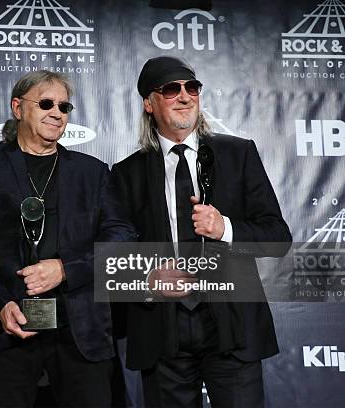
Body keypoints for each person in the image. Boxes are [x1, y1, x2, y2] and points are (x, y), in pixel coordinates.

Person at [111, 56, 292, 408]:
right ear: (149, 103)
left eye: (191, 87)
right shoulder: (126, 173)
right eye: (171, 89)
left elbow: (277, 237)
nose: (185, 96)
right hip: (163, 332)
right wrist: (148, 277)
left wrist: (224, 227)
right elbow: (113, 255)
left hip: (231, 326)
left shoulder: (238, 153)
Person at [0, 70, 135, 407]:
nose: (57, 113)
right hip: (8, 328)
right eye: (47, 103)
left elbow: (122, 236)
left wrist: (67, 269)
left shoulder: (92, 171)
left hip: (80, 330)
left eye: (65, 107)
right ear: (18, 107)